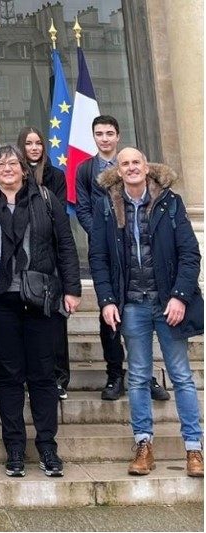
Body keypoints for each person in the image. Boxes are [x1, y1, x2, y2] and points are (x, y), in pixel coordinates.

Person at [88, 147, 203, 478]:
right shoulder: (107, 207)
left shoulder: (170, 203)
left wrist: (180, 296)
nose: (131, 168)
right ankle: (143, 446)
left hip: (168, 303)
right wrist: (107, 300)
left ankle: (194, 448)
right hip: (132, 305)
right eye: (125, 164)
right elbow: (98, 257)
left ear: (146, 166)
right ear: (119, 171)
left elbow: (189, 253)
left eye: (136, 162)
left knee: (180, 375)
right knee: (137, 376)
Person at [0, 145, 81, 478]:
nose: (6, 167)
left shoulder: (46, 200)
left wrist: (72, 289)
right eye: (0, 163)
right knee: (9, 374)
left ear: (24, 168)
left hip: (41, 298)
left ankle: (47, 446)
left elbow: (66, 245)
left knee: (43, 375)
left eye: (13, 163)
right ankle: (15, 447)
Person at [75, 116, 168, 402]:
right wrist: (101, 234)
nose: (104, 138)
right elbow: (82, 207)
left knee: (142, 313)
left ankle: (147, 375)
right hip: (106, 252)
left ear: (118, 136)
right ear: (93, 137)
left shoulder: (131, 165)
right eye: (99, 133)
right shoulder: (85, 169)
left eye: (109, 133)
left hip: (137, 251)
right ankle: (115, 373)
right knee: (110, 313)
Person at [17, 126, 70, 399]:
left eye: (38, 143)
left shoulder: (55, 175)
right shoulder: (17, 173)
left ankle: (59, 377)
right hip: (27, 261)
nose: (35, 148)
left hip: (51, 258)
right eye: (29, 143)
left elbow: (58, 213)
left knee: (56, 321)